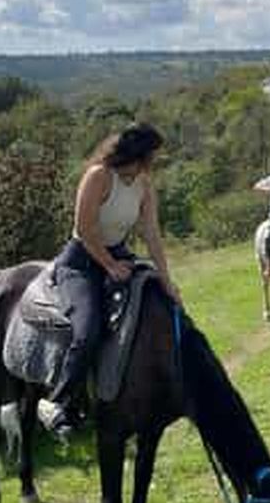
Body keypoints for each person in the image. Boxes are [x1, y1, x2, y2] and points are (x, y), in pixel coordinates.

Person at [43, 123, 181, 441]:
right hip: (81, 262)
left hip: (119, 256)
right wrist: (108, 265)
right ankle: (58, 402)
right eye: (153, 155)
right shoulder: (99, 176)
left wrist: (166, 281)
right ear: (140, 154)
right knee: (87, 329)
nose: (155, 161)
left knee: (160, 308)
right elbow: (84, 228)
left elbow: (152, 234)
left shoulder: (144, 184)